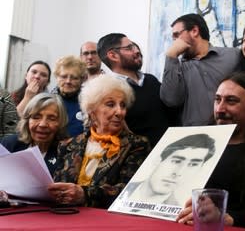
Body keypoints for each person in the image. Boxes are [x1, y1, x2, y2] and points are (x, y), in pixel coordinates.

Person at [176, 72, 245, 227]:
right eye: (217, 100)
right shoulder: (196, 146)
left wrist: (228, 218)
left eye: (231, 101)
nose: (220, 109)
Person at [47, 75, 151, 208]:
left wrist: (84, 194)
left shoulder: (137, 145)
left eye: (123, 105)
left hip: (107, 223)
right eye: (110, 104)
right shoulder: (67, 145)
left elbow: (130, 191)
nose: (120, 112)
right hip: (65, 219)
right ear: (91, 110)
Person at [160, 13, 241, 126]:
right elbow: (171, 100)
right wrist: (171, 56)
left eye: (177, 35)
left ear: (194, 31)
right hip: (195, 137)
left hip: (231, 132)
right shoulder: (176, 68)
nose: (175, 42)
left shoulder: (233, 55)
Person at [97, 33, 172, 147]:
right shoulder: (109, 90)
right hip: (139, 158)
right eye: (129, 48)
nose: (137, 51)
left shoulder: (151, 80)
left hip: (171, 151)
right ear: (113, 55)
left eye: (135, 47)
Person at [121, 134, 215, 205]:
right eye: (176, 161)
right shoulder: (121, 192)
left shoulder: (180, 211)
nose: (179, 172)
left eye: (193, 164)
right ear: (158, 161)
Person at [1, 93, 68, 175]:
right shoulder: (9, 144)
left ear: (61, 123)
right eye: (36, 117)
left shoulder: (66, 152)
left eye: (52, 118)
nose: (42, 124)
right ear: (27, 120)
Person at [51, 55, 86, 137]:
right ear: (57, 77)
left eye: (74, 78)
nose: (68, 81)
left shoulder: (89, 103)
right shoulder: (46, 102)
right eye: (63, 76)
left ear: (82, 79)